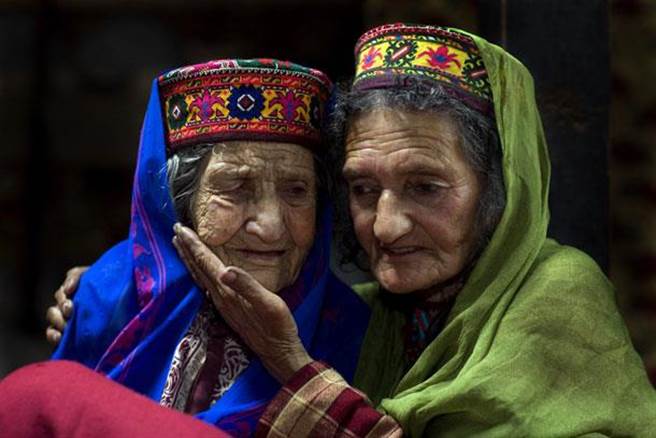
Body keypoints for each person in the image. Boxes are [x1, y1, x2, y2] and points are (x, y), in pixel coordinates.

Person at [46, 24, 656, 436]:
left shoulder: (558, 296)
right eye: (363, 190)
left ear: (501, 188)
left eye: (426, 187)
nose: (385, 226)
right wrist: (113, 292)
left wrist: (289, 361)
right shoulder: (369, 315)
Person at [42, 58, 371, 436]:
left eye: (296, 191)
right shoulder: (108, 296)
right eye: (236, 188)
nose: (270, 227)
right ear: (179, 204)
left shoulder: (354, 330)